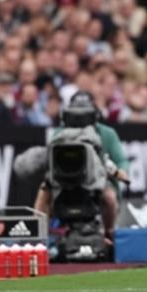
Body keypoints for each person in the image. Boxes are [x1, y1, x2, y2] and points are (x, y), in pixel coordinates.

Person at [30, 91, 130, 238]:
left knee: (109, 197)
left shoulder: (107, 133)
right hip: (64, 179)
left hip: (96, 179)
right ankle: (38, 236)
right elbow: (50, 160)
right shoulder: (59, 134)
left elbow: (121, 160)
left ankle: (109, 234)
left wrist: (121, 171)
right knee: (43, 191)